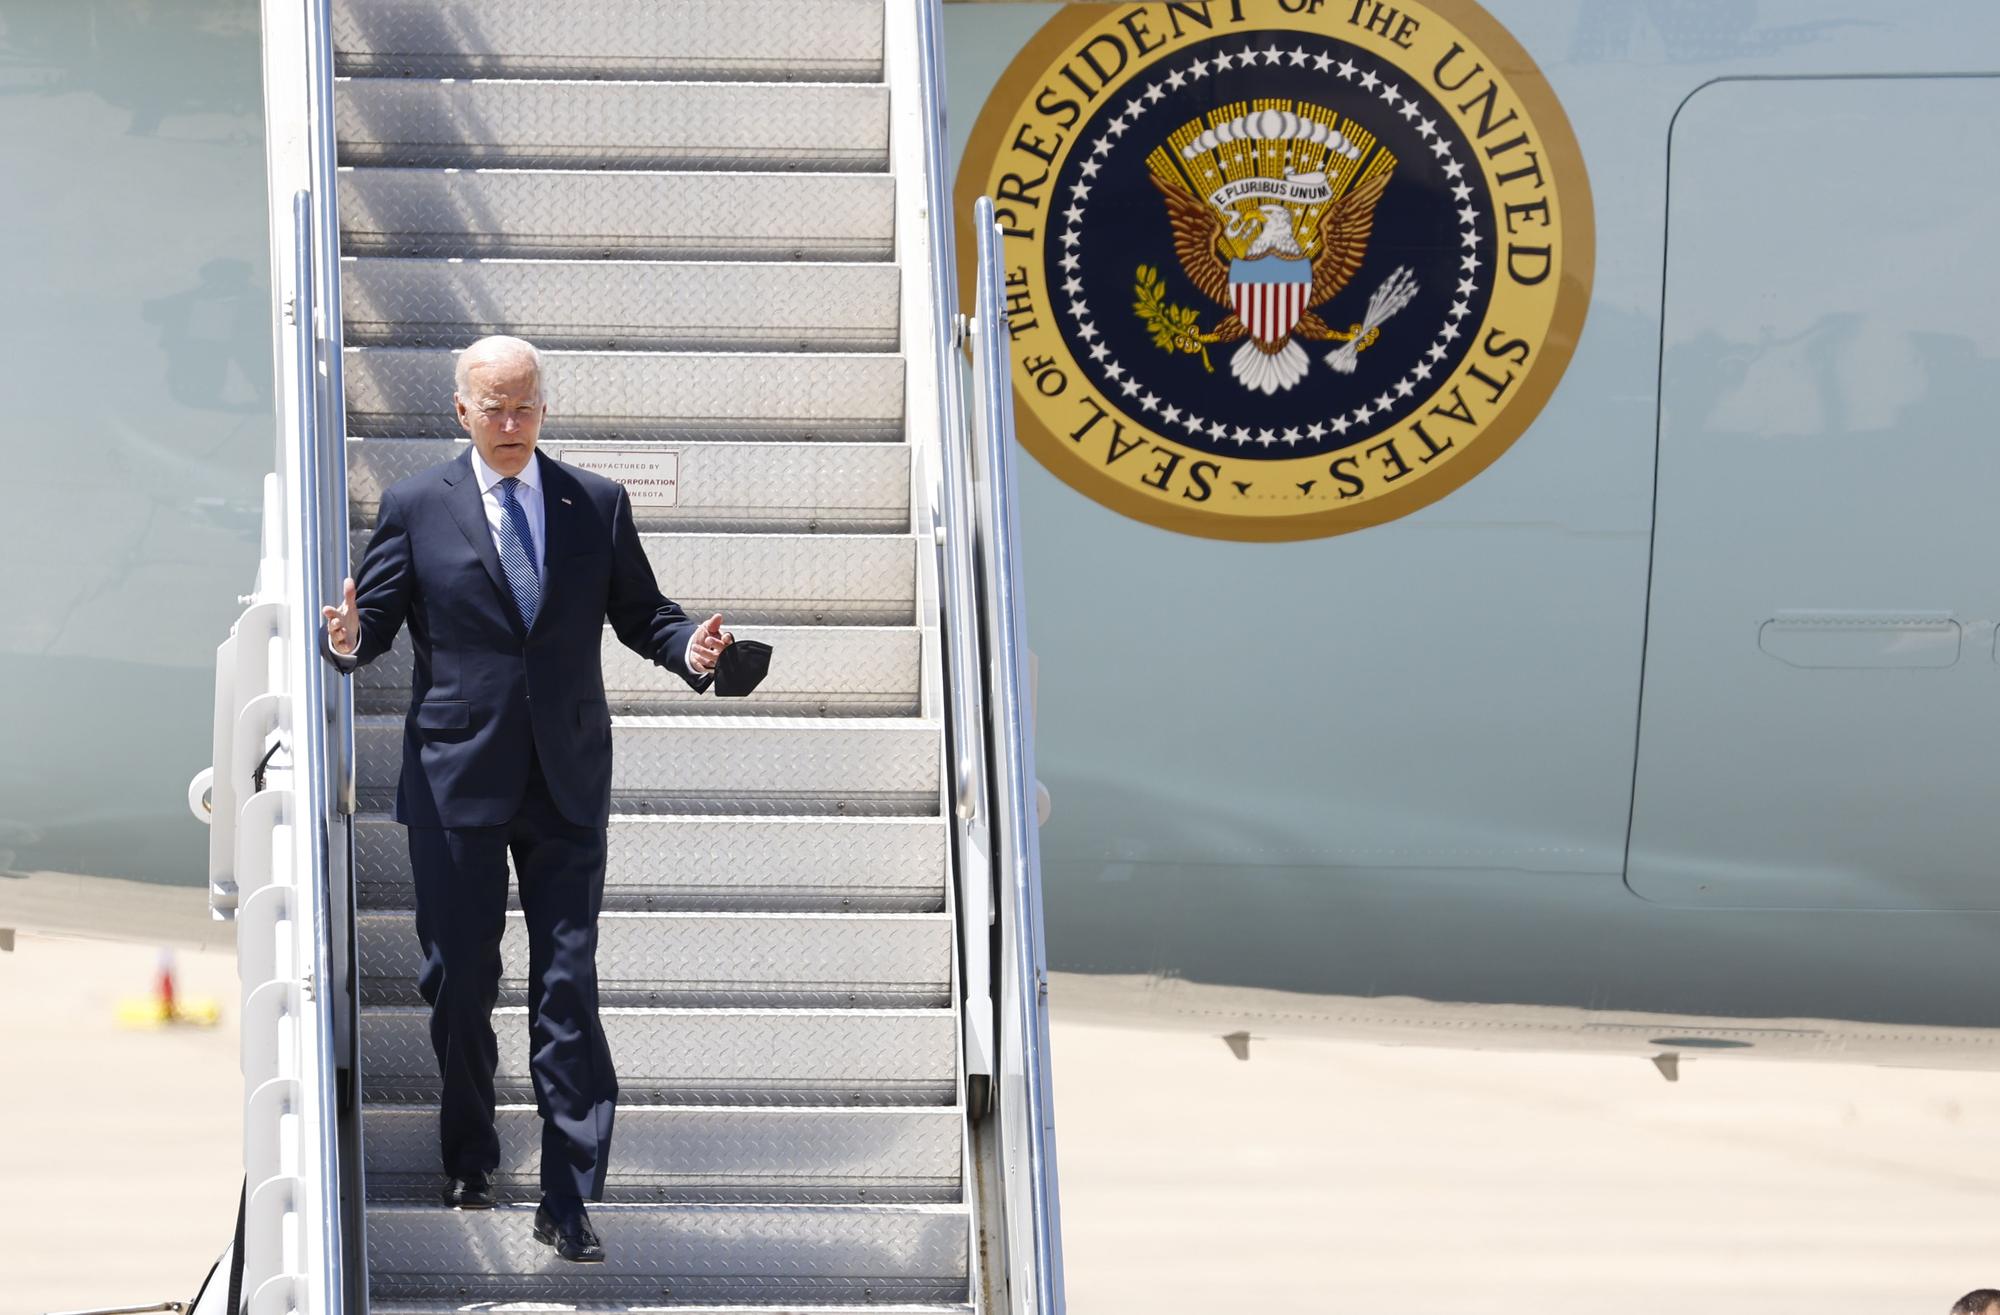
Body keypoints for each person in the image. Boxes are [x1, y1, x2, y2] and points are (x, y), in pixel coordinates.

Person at [320, 335, 731, 1263]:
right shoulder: (418, 506)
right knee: (459, 982)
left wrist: (689, 651)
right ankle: (468, 1151)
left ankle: (568, 1194)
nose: (511, 425)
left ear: (544, 408)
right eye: (494, 408)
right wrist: (345, 639)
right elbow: (373, 628)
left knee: (566, 986)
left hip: (567, 781)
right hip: (455, 778)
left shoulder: (594, 501)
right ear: (460, 410)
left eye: (527, 407)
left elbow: (643, 614)